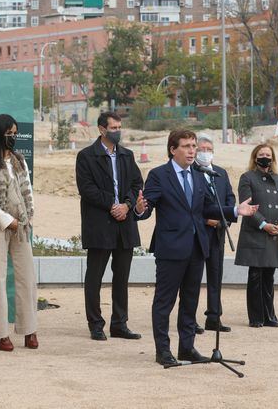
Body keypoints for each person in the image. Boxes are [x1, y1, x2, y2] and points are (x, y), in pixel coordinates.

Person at [135, 129, 257, 366]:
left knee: (190, 300)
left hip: (197, 247)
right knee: (164, 301)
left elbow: (208, 208)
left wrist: (234, 211)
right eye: (187, 146)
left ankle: (187, 348)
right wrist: (140, 208)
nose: (193, 151)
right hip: (171, 248)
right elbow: (146, 209)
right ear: (173, 149)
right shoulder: (159, 175)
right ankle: (163, 351)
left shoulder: (200, 175)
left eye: (194, 146)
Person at [75, 111, 143, 341]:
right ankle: (95, 324)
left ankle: (119, 323)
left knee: (121, 276)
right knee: (95, 276)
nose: (117, 131)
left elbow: (136, 184)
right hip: (100, 224)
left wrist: (126, 205)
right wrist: (112, 205)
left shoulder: (127, 155)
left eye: (119, 127)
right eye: (113, 128)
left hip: (125, 224)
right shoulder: (86, 156)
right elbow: (86, 188)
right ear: (102, 129)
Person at [0, 114, 38, 351]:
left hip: (21, 226)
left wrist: (29, 215)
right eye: (9, 133)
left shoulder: (19, 160)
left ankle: (29, 329)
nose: (13, 137)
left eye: (15, 133)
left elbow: (27, 190)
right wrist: (6, 220)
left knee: (27, 278)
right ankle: (1, 334)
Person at [235, 144, 278, 328]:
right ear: (255, 157)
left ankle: (270, 315)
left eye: (268, 154)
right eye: (261, 154)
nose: (265, 157)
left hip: (275, 233)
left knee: (269, 276)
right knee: (256, 276)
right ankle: (256, 317)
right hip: (256, 233)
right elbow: (247, 206)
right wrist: (263, 224)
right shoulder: (247, 178)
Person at [194, 133, 235, 333]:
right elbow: (189, 206)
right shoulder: (191, 172)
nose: (205, 153)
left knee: (215, 274)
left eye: (209, 150)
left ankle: (214, 316)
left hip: (218, 232)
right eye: (201, 149)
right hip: (198, 232)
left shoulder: (220, 173)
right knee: (193, 277)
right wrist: (205, 221)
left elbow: (230, 198)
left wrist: (226, 219)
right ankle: (190, 319)